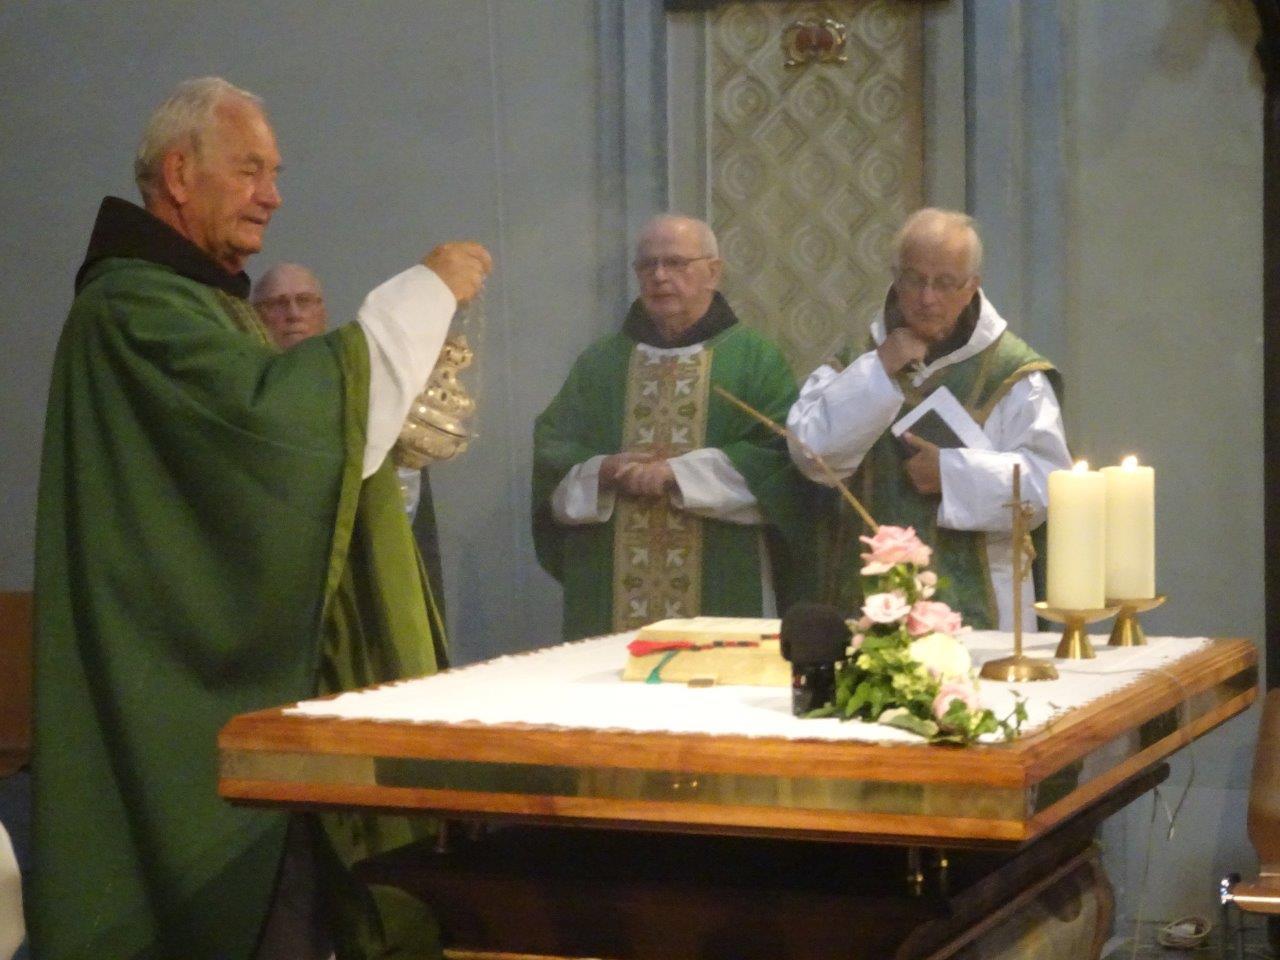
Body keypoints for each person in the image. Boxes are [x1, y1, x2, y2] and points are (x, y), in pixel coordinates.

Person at [31, 77, 491, 960]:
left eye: (275, 173)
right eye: (249, 170)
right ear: (178, 174)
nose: (272, 195)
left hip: (244, 697)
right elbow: (275, 433)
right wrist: (421, 293)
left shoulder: (200, 301)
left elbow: (286, 431)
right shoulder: (132, 309)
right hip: (178, 692)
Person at [786, 208, 1071, 630]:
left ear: (972, 287)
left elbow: (1049, 485)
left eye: (945, 283)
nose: (927, 298)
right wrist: (880, 368)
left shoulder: (1012, 375)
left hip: (982, 607)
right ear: (895, 279)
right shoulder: (857, 361)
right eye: (914, 280)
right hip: (868, 603)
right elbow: (811, 456)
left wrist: (953, 474)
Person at [533, 214, 812, 640]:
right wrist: (603, 471)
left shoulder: (755, 360)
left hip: (722, 571)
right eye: (648, 265)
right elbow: (553, 456)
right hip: (612, 580)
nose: (660, 276)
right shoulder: (601, 364)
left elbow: (779, 464)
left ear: (713, 272)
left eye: (676, 263)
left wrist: (676, 474)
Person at [254, 263, 448, 622]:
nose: (293, 314)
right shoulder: (249, 393)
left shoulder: (364, 387)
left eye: (304, 300)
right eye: (277, 304)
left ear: (322, 311)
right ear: (256, 315)